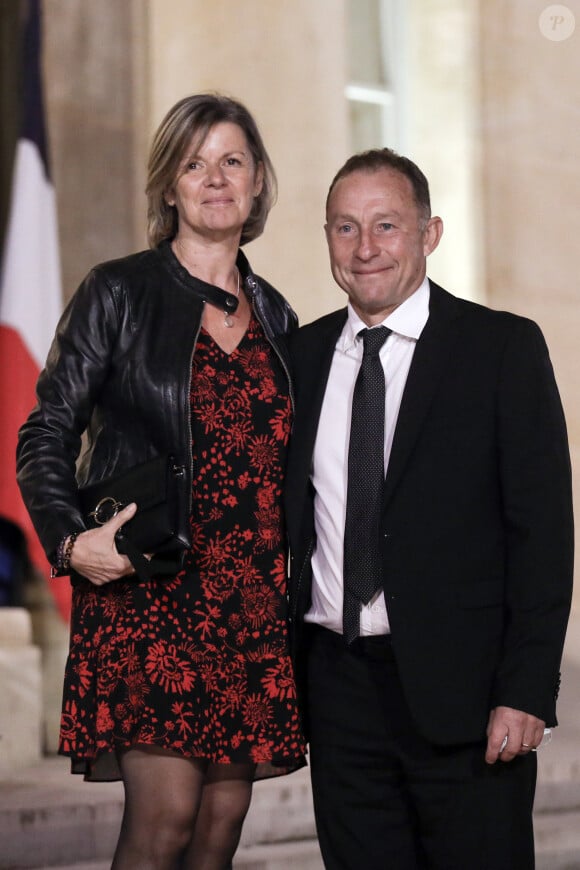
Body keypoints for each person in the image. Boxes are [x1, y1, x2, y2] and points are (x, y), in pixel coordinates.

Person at [17, 93, 306, 870]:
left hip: (250, 602)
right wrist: (70, 541)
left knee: (219, 827)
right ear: (169, 186)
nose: (214, 178)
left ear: (257, 184)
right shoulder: (118, 291)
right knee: (167, 819)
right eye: (193, 162)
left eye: (231, 161)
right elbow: (46, 430)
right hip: (151, 591)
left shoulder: (280, 317)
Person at [284, 147, 574, 869]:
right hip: (339, 695)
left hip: (471, 701)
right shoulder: (301, 359)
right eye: (345, 228)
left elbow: (543, 536)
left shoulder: (500, 348)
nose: (365, 248)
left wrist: (526, 690)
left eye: (386, 225)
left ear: (429, 233)